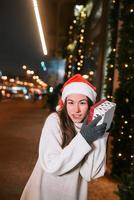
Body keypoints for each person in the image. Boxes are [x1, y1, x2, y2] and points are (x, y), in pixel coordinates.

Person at [20, 74, 109, 200]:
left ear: (90, 105)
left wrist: (102, 135)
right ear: (65, 103)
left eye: (82, 103)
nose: (76, 110)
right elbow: (52, 165)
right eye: (71, 102)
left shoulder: (89, 128)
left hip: (72, 194)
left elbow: (90, 173)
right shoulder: (54, 121)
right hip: (44, 192)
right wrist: (83, 139)